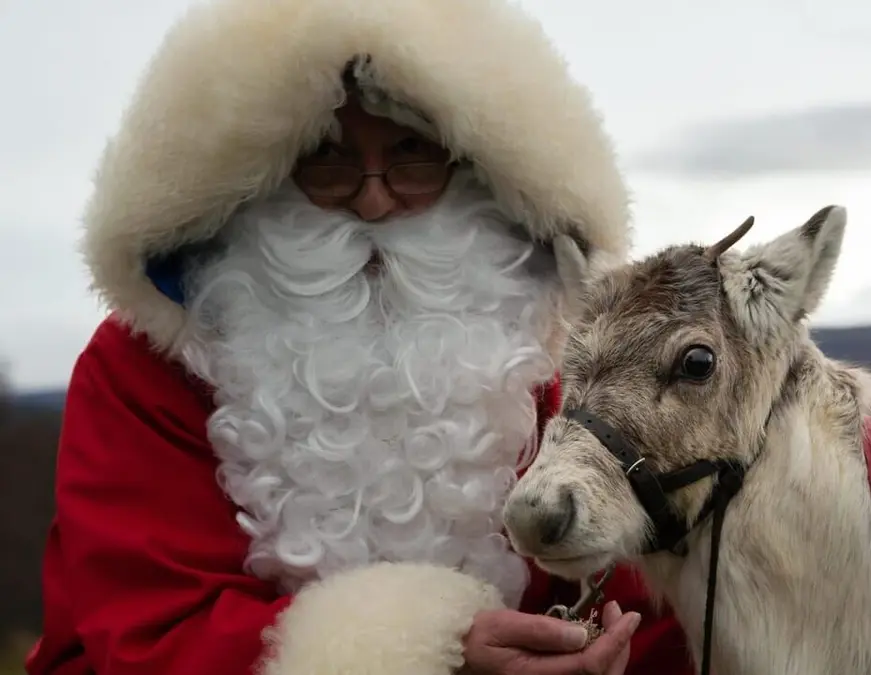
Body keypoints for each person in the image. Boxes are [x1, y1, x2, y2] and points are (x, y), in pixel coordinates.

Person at [24, 0, 694, 674]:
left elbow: (655, 601)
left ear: (475, 168)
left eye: (411, 154)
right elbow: (151, 631)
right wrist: (436, 652)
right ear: (260, 175)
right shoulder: (140, 370)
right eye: (327, 159)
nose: (373, 201)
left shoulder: (548, 347)